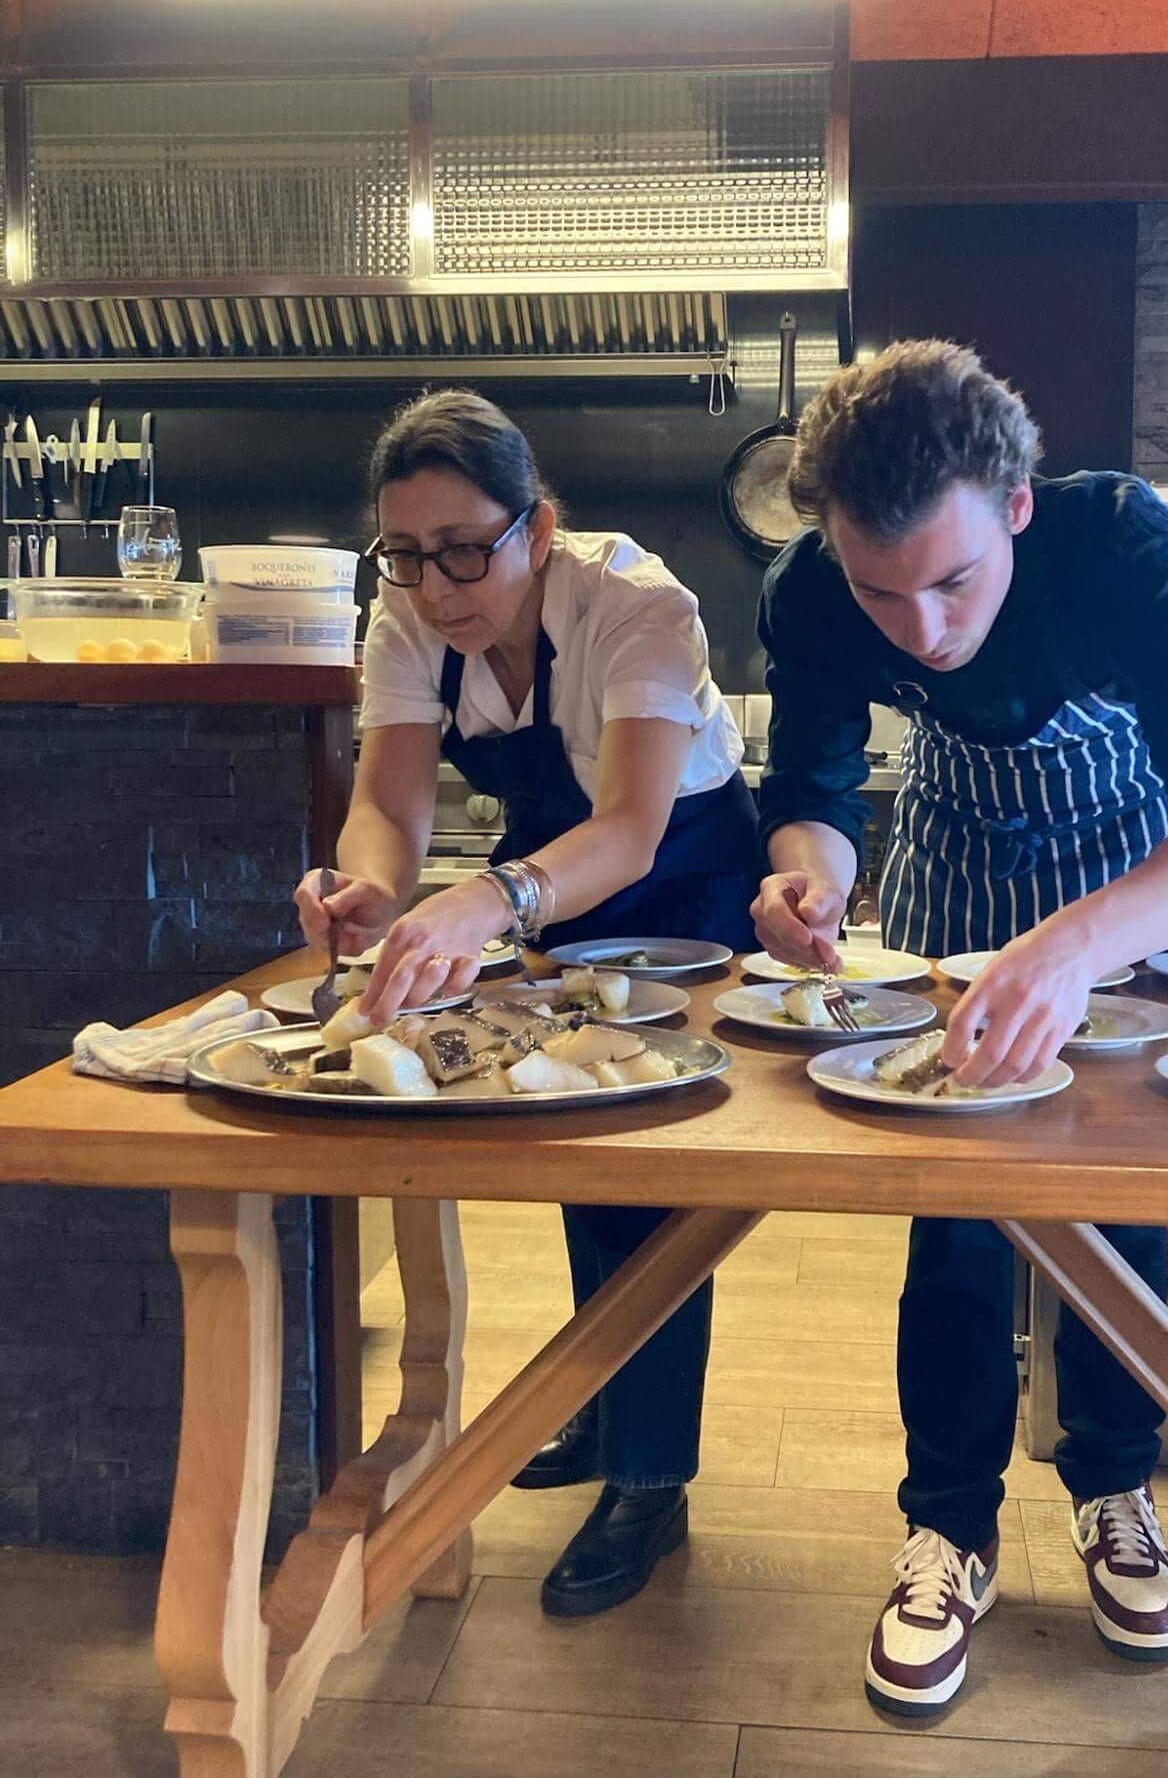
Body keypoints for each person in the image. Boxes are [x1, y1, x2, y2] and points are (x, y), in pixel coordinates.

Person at [751, 341, 1168, 1716]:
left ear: (1019, 505)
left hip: (1132, 869)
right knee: (958, 1202)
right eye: (884, 591)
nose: (921, 629)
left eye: (952, 581)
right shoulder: (813, 590)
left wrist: (1081, 942)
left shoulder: (1125, 543)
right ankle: (950, 1522)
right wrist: (807, 873)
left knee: (1118, 1190)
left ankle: (1115, 1486)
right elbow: (813, 783)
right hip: (955, 859)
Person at [295, 389, 759, 1617]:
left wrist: (488, 899)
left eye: (466, 549)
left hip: (683, 873)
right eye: (406, 555)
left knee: (650, 1171)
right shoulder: (401, 622)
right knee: (567, 1137)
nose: (438, 585)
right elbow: (388, 804)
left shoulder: (636, 601)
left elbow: (634, 825)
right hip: (552, 870)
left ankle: (652, 1479)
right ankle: (605, 1415)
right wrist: (373, 887)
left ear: (537, 525)